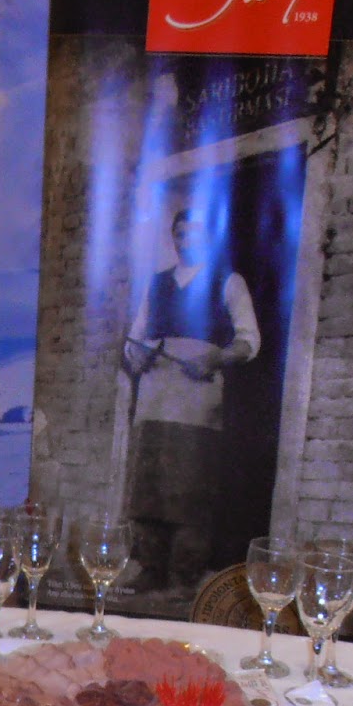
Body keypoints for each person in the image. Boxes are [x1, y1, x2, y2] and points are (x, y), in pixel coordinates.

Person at [120, 206, 260, 600]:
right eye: (180, 234)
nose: (186, 242)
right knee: (149, 486)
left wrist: (217, 357)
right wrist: (138, 355)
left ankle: (184, 578)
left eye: (194, 234)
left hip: (197, 400)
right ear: (174, 238)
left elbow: (249, 341)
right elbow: (136, 336)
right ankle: (149, 570)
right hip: (155, 395)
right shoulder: (157, 283)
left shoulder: (229, 282)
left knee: (190, 489)